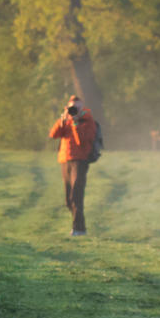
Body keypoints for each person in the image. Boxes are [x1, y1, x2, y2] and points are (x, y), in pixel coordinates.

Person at [48, 94, 100, 236]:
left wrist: (76, 123)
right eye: (71, 108)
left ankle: (79, 229)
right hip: (65, 160)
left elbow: (83, 141)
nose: (73, 111)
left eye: (76, 108)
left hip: (80, 160)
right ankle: (79, 226)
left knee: (76, 195)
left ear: (82, 107)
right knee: (68, 200)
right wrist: (62, 120)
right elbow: (53, 134)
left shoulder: (88, 121)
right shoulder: (66, 119)